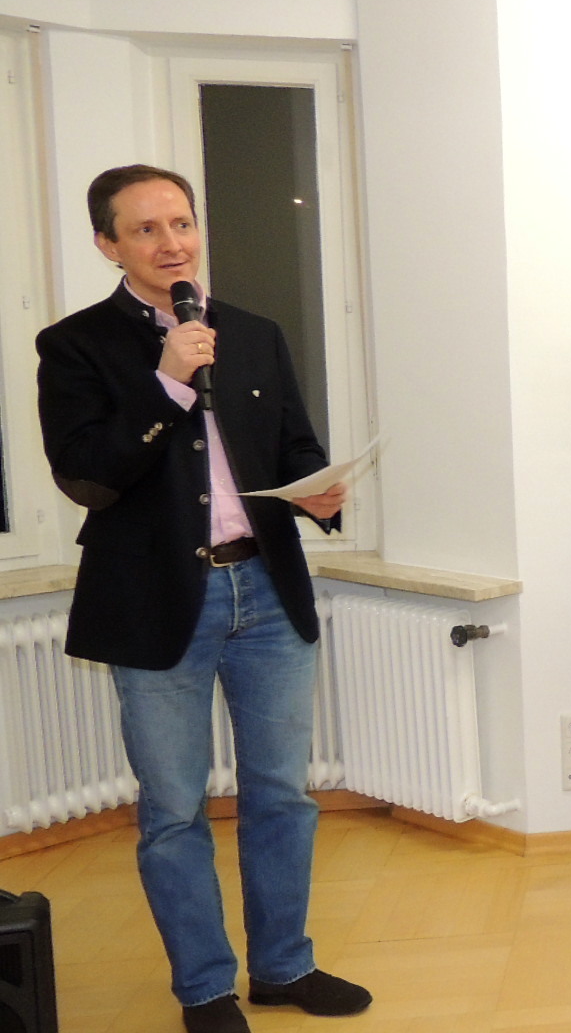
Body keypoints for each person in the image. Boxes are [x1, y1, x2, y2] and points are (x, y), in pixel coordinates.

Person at [36, 165, 366, 1033]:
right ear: (108, 244)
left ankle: (284, 966)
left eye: (180, 222)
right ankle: (205, 989)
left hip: (267, 587)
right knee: (174, 811)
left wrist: (317, 491)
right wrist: (167, 383)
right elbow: (88, 478)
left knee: (282, 794)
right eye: (145, 229)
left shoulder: (253, 332)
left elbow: (294, 446)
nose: (171, 243)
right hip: (155, 601)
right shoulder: (73, 345)